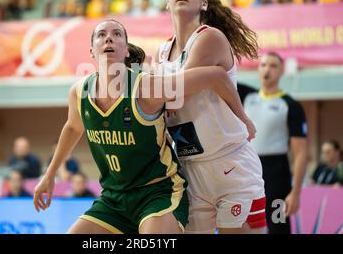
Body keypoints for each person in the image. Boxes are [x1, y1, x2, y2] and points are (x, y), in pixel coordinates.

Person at [34, 19, 251, 234]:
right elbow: (73, 128)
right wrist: (49, 174)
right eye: (101, 34)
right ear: (92, 51)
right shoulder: (79, 92)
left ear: (126, 51)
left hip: (158, 192)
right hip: (114, 198)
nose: (108, 37)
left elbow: (215, 75)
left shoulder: (146, 87)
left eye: (117, 34)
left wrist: (244, 120)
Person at [156, 0, 265, 234]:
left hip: (230, 163)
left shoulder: (209, 37)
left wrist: (148, 91)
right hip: (190, 168)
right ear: (167, 0)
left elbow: (173, 96)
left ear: (204, 3)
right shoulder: (161, 51)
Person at [238, 52, 308, 234]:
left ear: (282, 70)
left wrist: (296, 192)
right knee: (245, 226)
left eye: (273, 65)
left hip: (277, 175)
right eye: (263, 65)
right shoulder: (247, 97)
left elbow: (300, 153)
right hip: (248, 172)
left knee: (278, 225)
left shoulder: (290, 105)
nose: (267, 69)